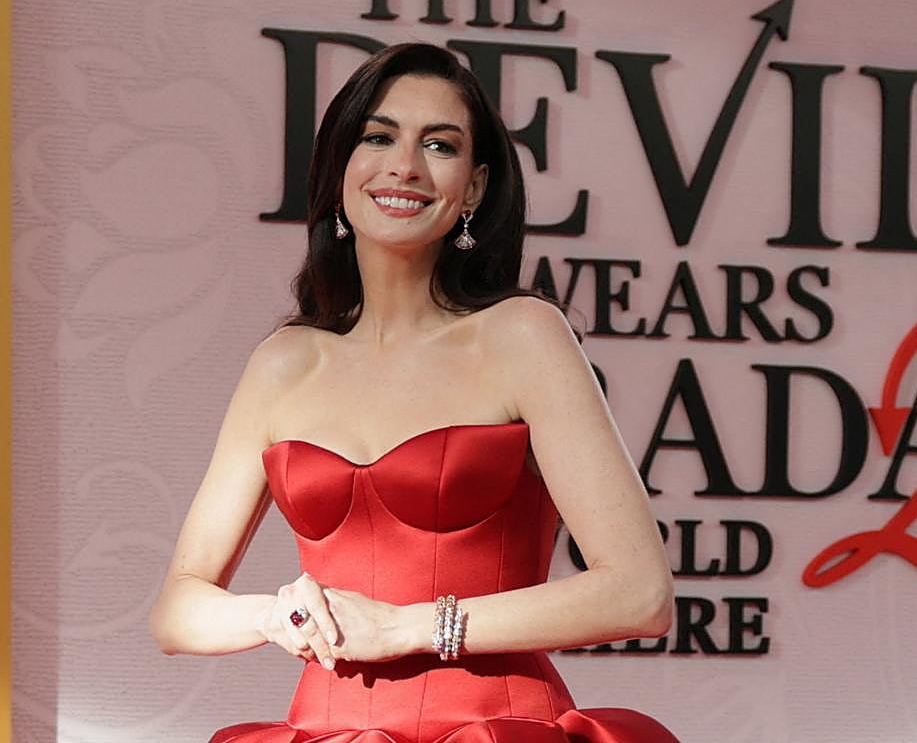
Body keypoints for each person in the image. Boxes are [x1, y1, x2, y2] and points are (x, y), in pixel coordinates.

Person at [149, 43, 680, 742]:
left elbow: (640, 594)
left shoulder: (522, 336)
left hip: (496, 729)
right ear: (340, 167)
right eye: (378, 137)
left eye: (439, 145)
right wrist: (278, 616)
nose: (405, 166)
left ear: (475, 187)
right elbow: (177, 611)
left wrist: (407, 627)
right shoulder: (283, 363)